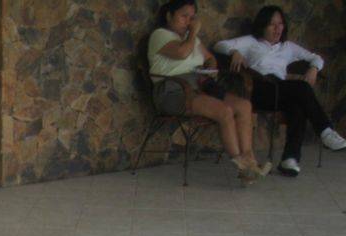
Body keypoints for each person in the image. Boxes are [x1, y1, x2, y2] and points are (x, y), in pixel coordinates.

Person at [215, 5, 346, 177]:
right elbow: (219, 45)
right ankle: (325, 130)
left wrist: (313, 69)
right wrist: (234, 52)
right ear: (263, 25)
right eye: (272, 24)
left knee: (298, 106)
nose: (278, 28)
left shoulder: (288, 46)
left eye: (281, 24)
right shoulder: (251, 41)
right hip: (258, 88)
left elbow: (316, 58)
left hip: (280, 90)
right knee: (302, 88)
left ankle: (289, 160)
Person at [148, 0, 269, 182]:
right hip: (174, 91)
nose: (188, 21)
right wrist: (193, 33)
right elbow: (182, 53)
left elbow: (210, 57)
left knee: (244, 105)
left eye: (192, 17)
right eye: (183, 16)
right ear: (169, 16)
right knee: (224, 111)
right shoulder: (160, 35)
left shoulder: (192, 40)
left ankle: (249, 159)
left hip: (200, 86)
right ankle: (243, 166)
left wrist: (210, 69)